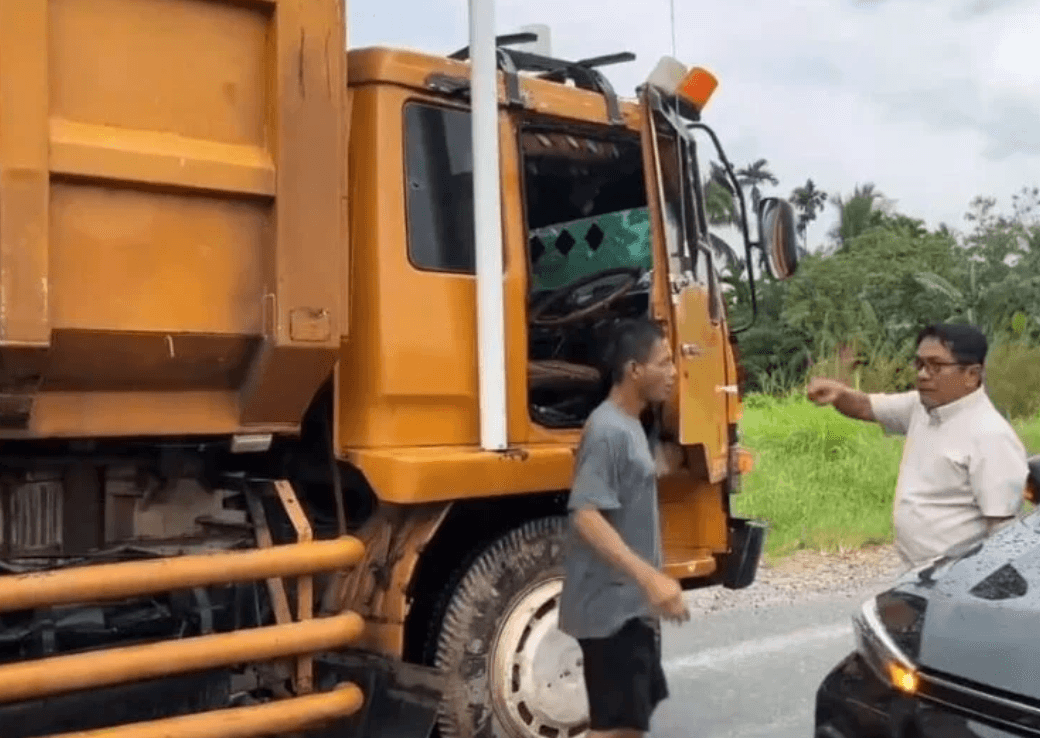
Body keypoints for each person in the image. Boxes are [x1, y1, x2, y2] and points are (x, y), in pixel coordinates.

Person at [558, 317, 690, 738]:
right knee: (615, 731)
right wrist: (650, 579)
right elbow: (586, 515)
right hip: (610, 611)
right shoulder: (608, 430)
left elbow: (632, 477)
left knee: (628, 726)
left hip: (630, 609)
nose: (673, 373)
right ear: (634, 370)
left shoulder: (632, 423)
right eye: (664, 363)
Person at [807, 322, 1029, 569]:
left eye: (936, 366)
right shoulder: (920, 408)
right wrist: (838, 393)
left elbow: (1005, 532)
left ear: (971, 375)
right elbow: (865, 407)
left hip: (958, 579)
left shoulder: (991, 436)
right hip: (916, 575)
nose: (923, 375)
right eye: (920, 364)